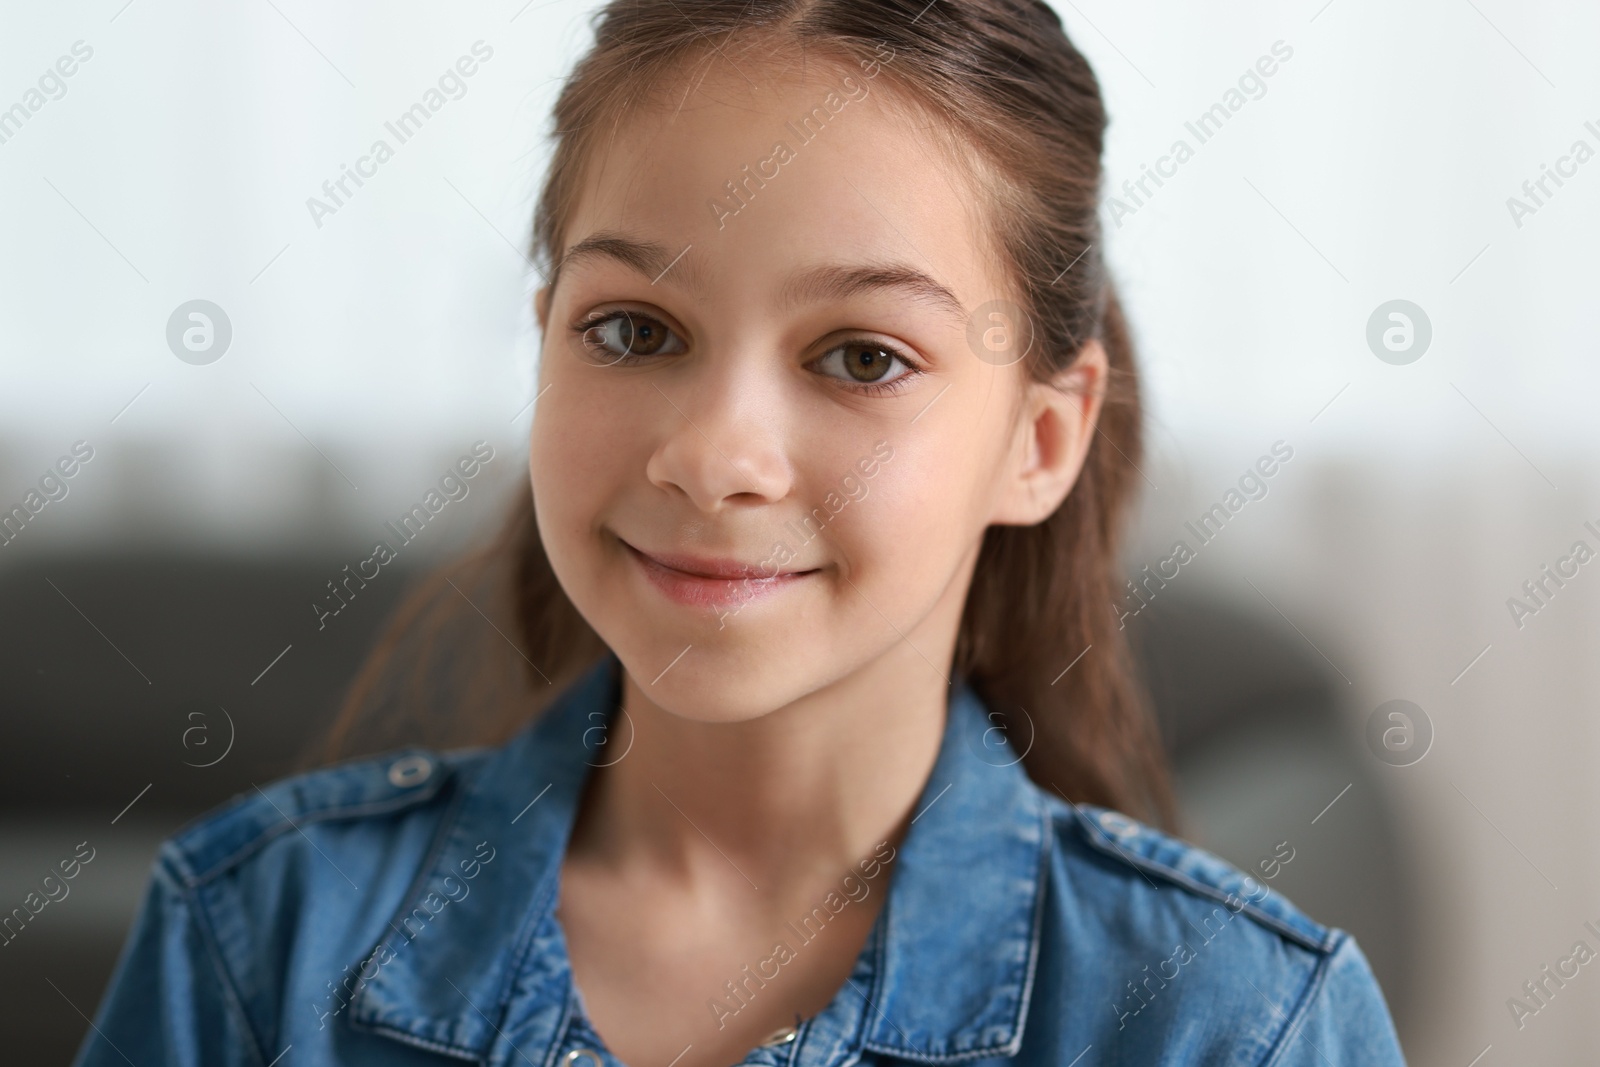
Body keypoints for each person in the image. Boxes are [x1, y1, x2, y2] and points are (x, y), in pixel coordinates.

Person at [75, 0, 1407, 1063]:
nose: (713, 456)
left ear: (1039, 439)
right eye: (634, 330)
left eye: (864, 358)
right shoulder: (253, 943)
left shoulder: (1236, 1026)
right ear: (546, 341)